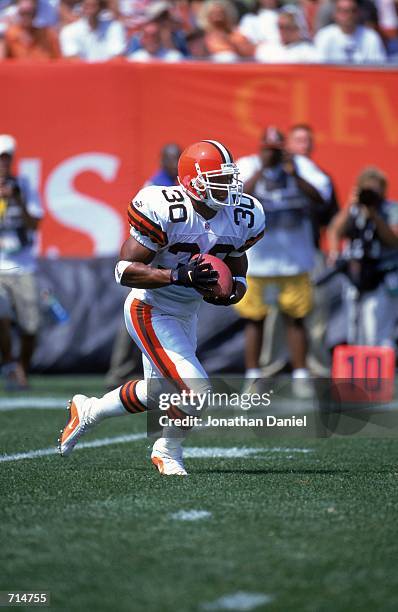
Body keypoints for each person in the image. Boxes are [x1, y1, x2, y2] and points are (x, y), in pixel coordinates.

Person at [58, 140, 265, 476]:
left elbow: (238, 271)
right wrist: (177, 275)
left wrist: (229, 294)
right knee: (196, 391)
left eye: (229, 179)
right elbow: (124, 270)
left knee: (158, 393)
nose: (227, 188)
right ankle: (167, 451)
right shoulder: (165, 207)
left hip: (187, 312)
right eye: (217, 180)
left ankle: (89, 410)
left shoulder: (241, 216)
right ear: (189, 182)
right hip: (150, 308)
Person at [235, 127, 325, 397]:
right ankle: (253, 376)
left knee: (295, 318)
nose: (271, 156)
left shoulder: (301, 167)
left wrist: (293, 174)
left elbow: (321, 198)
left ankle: (300, 375)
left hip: (293, 260)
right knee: (254, 319)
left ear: (284, 150)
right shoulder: (247, 166)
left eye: (275, 151)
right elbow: (235, 198)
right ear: (260, 148)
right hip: (257, 259)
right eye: (267, 150)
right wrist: (261, 171)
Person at [105, 143, 182, 391]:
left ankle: (154, 371)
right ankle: (119, 371)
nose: (175, 164)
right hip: (152, 257)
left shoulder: (183, 185)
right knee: (138, 307)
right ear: (162, 161)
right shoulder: (154, 188)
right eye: (172, 159)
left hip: (171, 259)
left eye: (178, 159)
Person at [327, 166, 398, 347]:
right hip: (355, 276)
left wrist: (374, 216)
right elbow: (334, 230)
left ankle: (380, 372)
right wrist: (351, 205)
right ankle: (358, 371)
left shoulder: (390, 209)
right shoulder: (353, 210)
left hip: (382, 276)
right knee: (353, 328)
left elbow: (393, 239)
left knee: (377, 328)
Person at [0, 135, 43, 390]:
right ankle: (9, 363)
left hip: (22, 264)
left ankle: (21, 368)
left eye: (6, 158)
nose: (3, 163)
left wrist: (16, 199)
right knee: (0, 314)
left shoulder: (24, 185)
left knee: (31, 325)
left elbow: (34, 224)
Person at [314, 0, 387, 63]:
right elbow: (319, 66)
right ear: (335, 14)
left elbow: (379, 66)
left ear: (358, 13)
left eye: (352, 11)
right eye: (343, 11)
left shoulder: (371, 37)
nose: (348, 15)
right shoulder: (324, 36)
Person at [60, 0, 126, 61]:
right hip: (83, 72)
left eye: (93, 4)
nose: (90, 5)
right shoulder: (68, 31)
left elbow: (117, 57)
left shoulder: (115, 27)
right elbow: (73, 59)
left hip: (108, 72)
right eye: (87, 4)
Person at [255, 5, 320, 63]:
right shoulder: (267, 50)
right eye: (280, 27)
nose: (282, 31)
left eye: (287, 27)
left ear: (298, 28)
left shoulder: (309, 53)